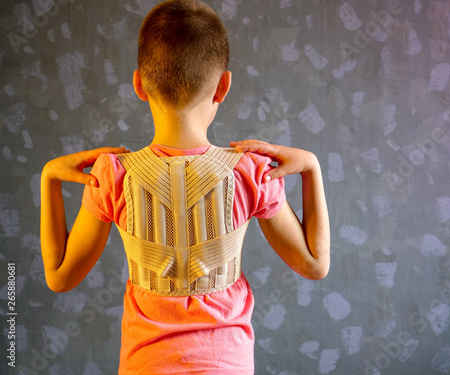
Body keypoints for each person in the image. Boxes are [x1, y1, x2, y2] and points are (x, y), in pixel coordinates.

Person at [40, 0, 330, 373]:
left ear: (139, 85)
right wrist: (311, 168)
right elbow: (315, 265)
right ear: (223, 85)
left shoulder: (112, 175)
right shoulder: (251, 173)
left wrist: (49, 177)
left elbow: (60, 277)